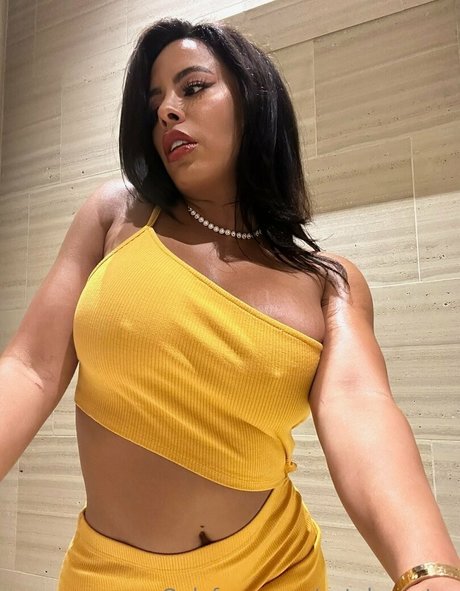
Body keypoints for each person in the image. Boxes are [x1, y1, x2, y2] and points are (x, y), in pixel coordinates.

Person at [0, 16, 459, 591]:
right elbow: (30, 368)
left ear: (253, 100)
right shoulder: (118, 216)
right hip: (114, 575)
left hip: (277, 568)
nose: (168, 111)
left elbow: (360, 406)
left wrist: (429, 574)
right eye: (155, 103)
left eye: (193, 88)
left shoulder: (328, 281)